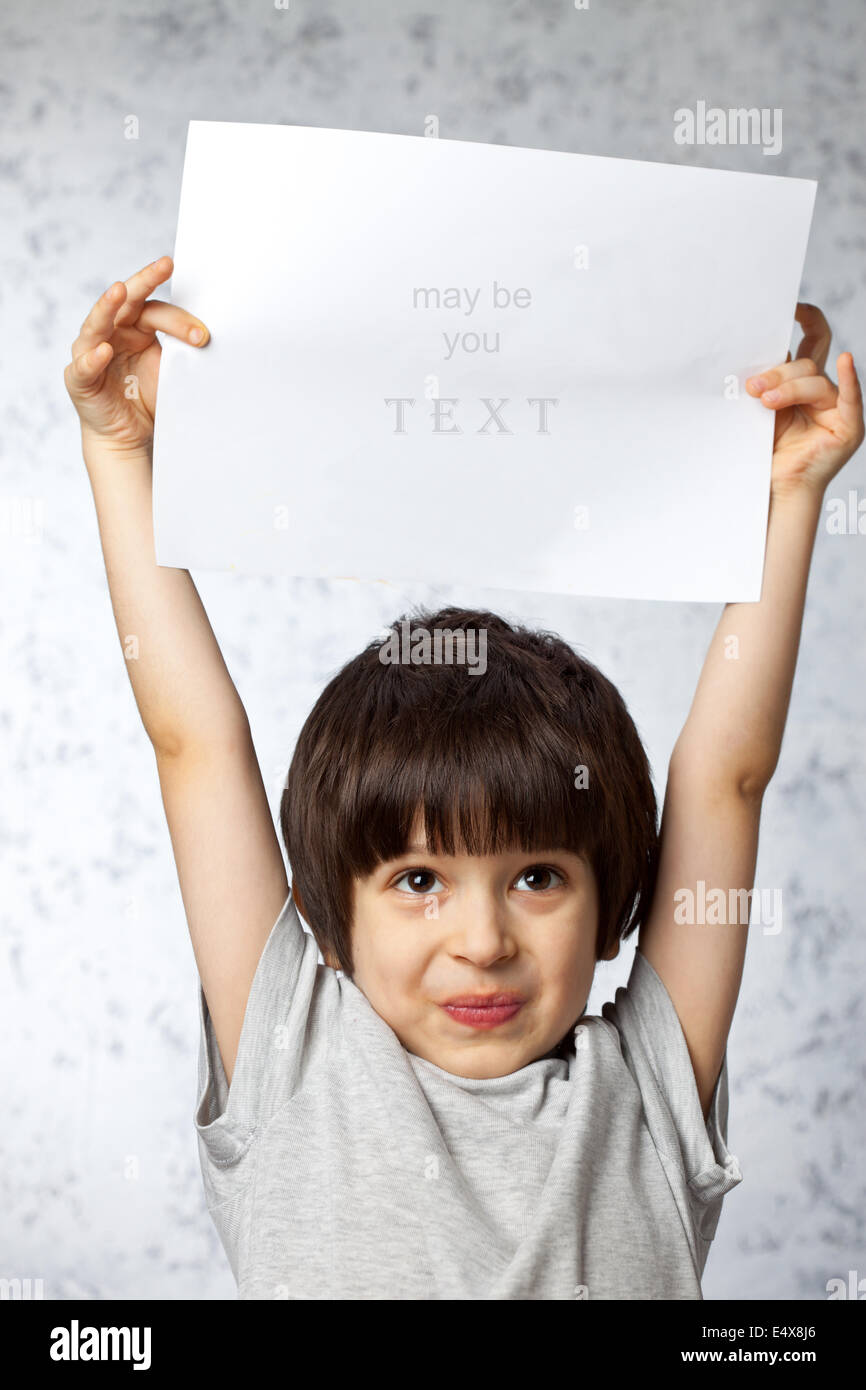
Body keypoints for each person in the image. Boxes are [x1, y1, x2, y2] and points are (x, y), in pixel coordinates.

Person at [64, 256, 864, 1299]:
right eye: (416, 880)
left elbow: (724, 778)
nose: (482, 941)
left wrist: (788, 490)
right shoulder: (292, 1062)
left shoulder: (649, 1097)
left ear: (616, 904)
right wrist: (118, 448)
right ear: (325, 914)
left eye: (537, 877)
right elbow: (195, 742)